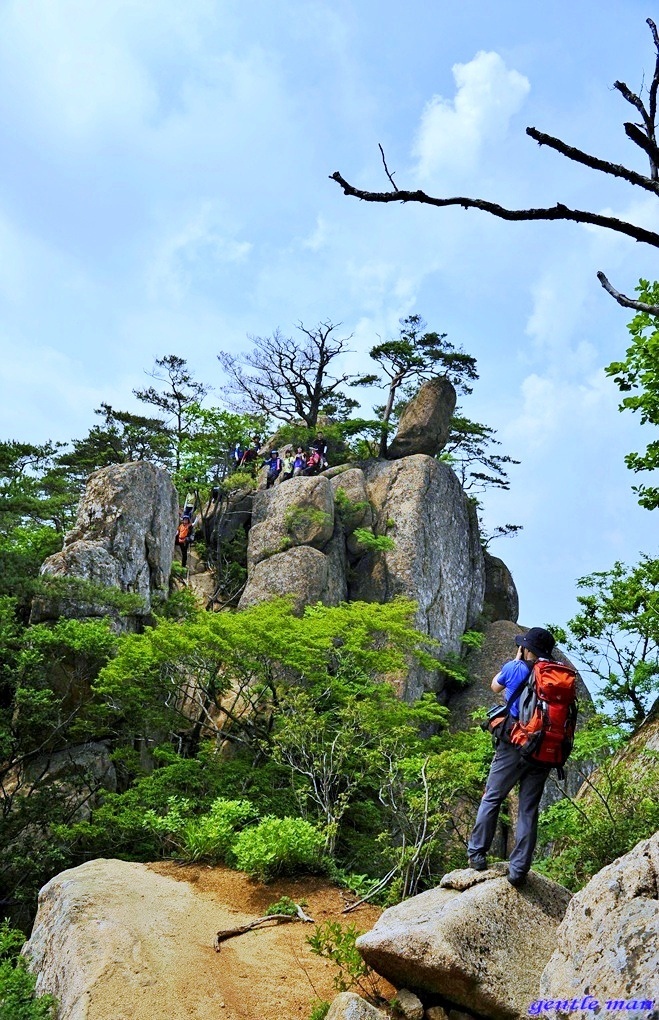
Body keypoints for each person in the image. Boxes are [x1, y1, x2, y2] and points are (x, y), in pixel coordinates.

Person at [467, 627, 557, 887]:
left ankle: (477, 855)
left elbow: (495, 685)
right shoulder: (556, 674)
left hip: (515, 744)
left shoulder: (515, 667)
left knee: (492, 796)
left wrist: (517, 660)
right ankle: (518, 871)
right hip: (543, 750)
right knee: (528, 809)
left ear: (526, 648)